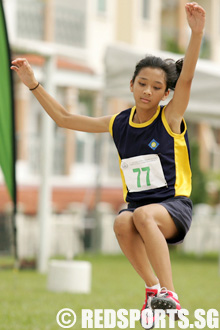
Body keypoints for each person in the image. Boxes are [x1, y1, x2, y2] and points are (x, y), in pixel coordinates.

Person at [11, 2, 205, 328]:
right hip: (140, 209)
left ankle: (170, 295)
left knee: (142, 215)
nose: (147, 91)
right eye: (142, 83)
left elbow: (185, 80)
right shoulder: (118, 122)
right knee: (122, 222)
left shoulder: (169, 118)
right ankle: (152, 290)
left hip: (173, 207)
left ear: (165, 95)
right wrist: (34, 84)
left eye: (157, 88)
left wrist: (196, 33)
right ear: (131, 84)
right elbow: (65, 118)